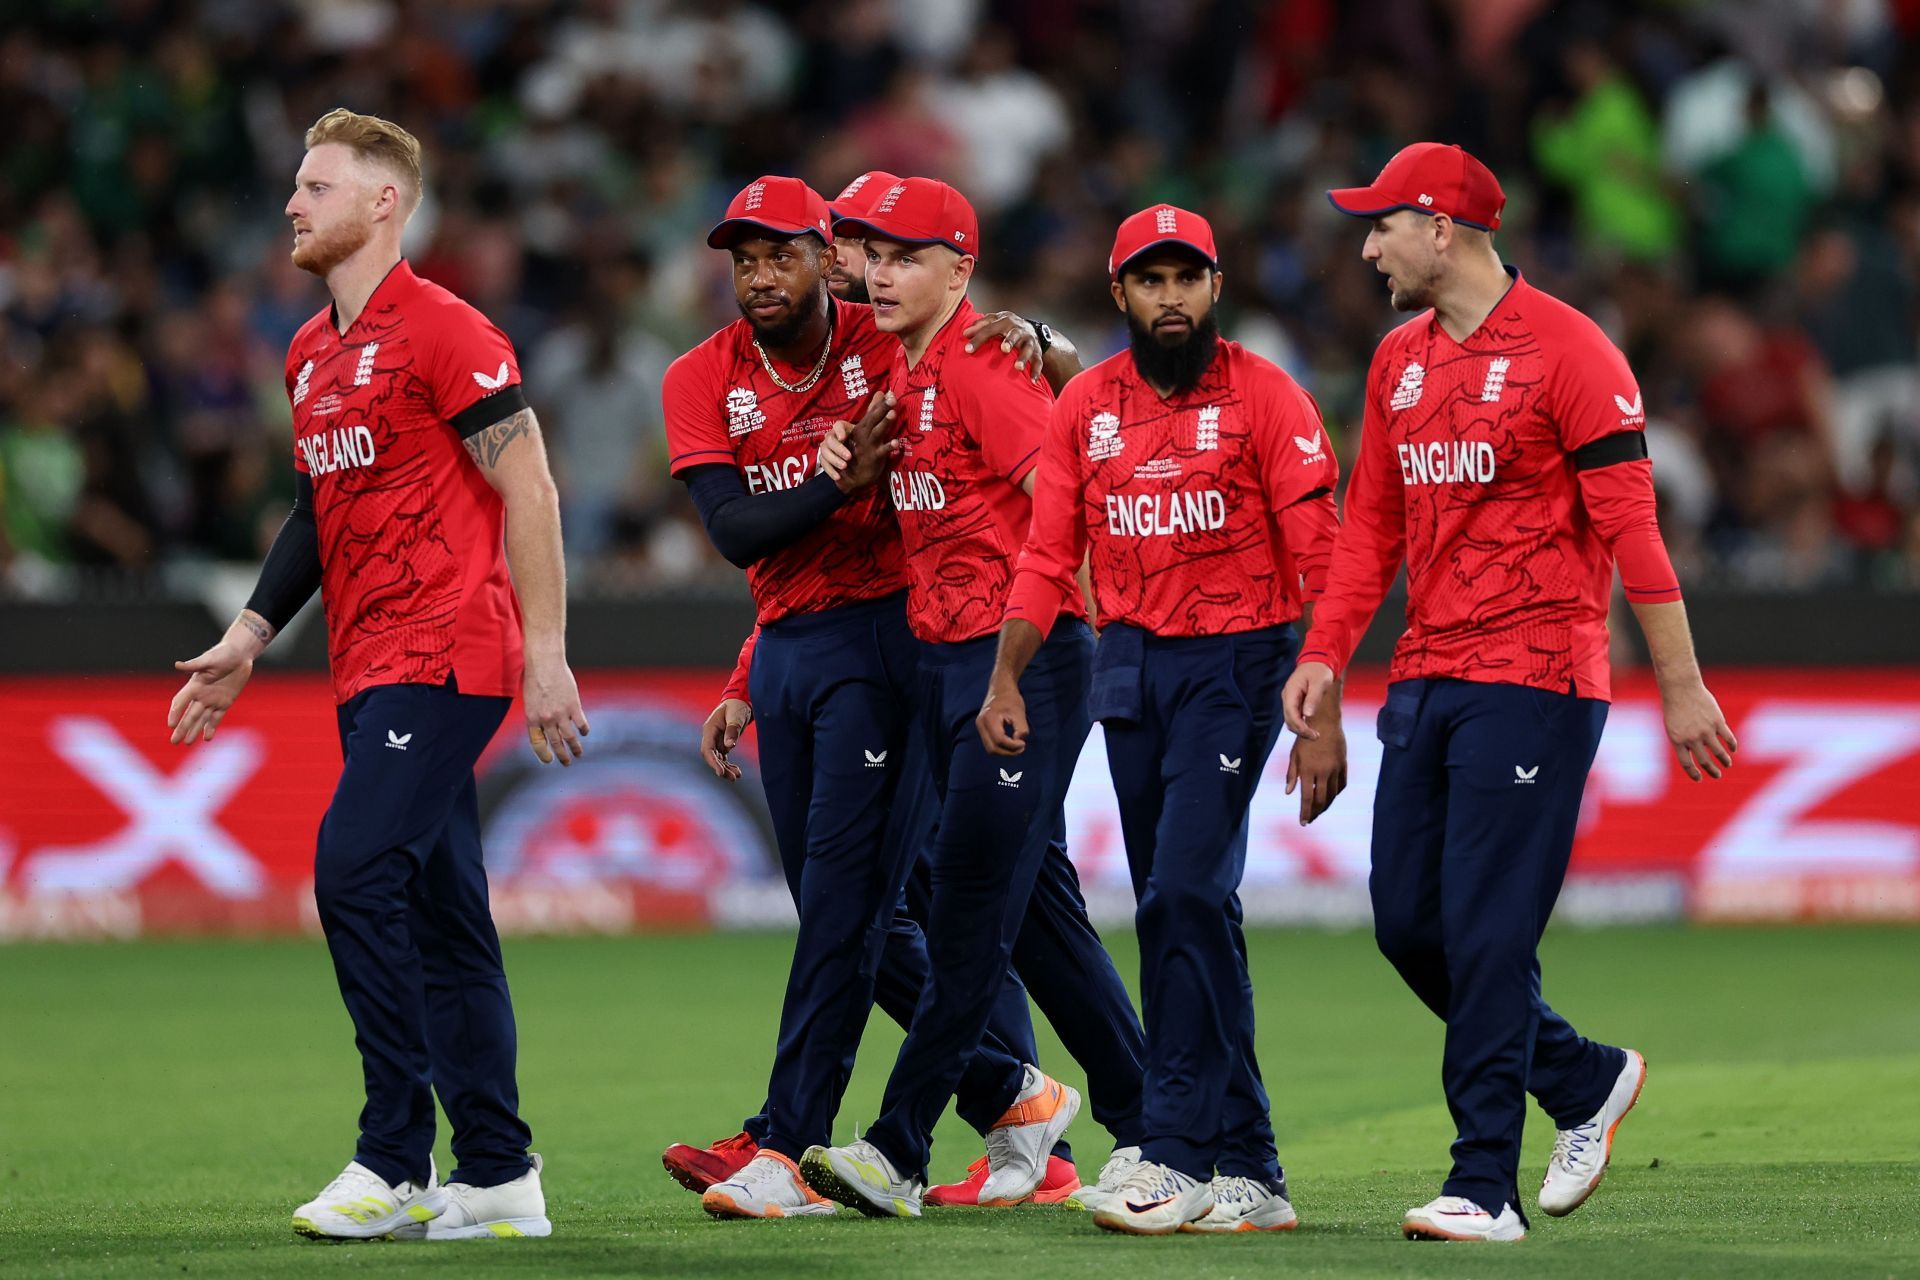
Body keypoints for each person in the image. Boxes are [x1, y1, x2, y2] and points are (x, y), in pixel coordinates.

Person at [1289, 142, 1738, 1242]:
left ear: (1442, 229)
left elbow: (1636, 531)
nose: (1366, 243)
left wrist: (1680, 687)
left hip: (1539, 674)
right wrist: (1325, 654)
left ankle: (1482, 1181)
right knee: (1408, 924)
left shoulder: (1573, 352)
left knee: (1488, 932)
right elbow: (1373, 529)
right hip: (1430, 673)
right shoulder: (1397, 359)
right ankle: (1582, 1077)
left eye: (1382, 223)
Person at [665, 171, 1124, 1214]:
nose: (762, 273)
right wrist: (749, 664)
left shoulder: (928, 345)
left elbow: (1060, 455)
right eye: (744, 258)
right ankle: (1063, 1107)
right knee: (1014, 906)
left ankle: (813, 1140)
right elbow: (760, 537)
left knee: (883, 902)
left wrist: (1044, 335)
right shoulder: (757, 376)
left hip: (956, 651)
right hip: (874, 648)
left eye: (784, 251)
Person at [167, 108, 585, 1242]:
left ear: (383, 200)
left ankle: (394, 1157)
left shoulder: (449, 330)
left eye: (315, 185)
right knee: (448, 916)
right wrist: (251, 634)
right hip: (367, 663)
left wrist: (545, 655)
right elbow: (317, 510)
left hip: (449, 650)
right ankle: (499, 1174)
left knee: (353, 871)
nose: (293, 205)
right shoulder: (310, 352)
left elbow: (531, 490)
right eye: (295, 187)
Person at [977, 204, 1346, 1235]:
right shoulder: (1085, 403)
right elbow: (1048, 554)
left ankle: (1175, 1152)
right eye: (1151, 280)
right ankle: (1254, 1166)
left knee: (1182, 889)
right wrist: (1007, 675)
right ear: (1120, 295)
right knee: (1187, 903)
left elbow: (1325, 556)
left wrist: (1323, 702)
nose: (1171, 297)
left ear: (1216, 288)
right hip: (1131, 658)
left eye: (1188, 278)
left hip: (1239, 656)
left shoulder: (1269, 396)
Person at [797, 176, 1131, 1220]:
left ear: (958, 269)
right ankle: (1165, 1120)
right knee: (1036, 923)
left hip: (1016, 660)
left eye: (903, 255)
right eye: (871, 254)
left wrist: (1014, 663)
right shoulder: (906, 370)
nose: (879, 271)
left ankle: (897, 1146)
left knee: (968, 907)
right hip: (949, 662)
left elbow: (1062, 505)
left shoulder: (987, 365)